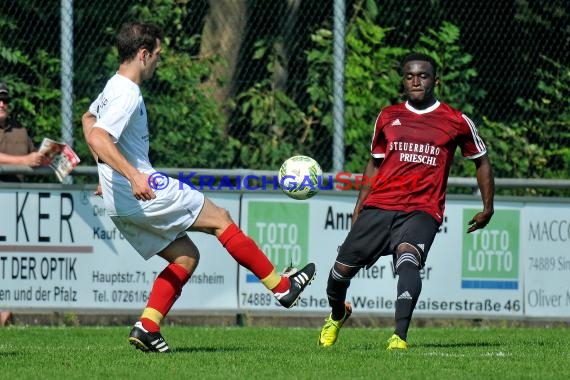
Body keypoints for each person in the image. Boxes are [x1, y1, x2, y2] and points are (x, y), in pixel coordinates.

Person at [82, 21, 316, 353]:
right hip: (143, 188)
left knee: (186, 256)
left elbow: (88, 120)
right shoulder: (127, 93)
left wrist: (107, 174)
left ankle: (147, 326)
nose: (158, 61)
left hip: (119, 203)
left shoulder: (111, 87)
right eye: (158, 55)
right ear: (144, 54)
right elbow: (98, 135)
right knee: (220, 218)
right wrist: (132, 176)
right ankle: (281, 287)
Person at [317, 52, 494, 350]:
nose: (416, 81)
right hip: (380, 205)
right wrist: (360, 204)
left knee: (408, 261)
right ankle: (337, 313)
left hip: (422, 210)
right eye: (410, 76)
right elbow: (374, 163)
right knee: (338, 275)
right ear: (403, 81)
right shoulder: (388, 116)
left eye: (423, 76)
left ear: (435, 81)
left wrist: (488, 207)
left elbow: (482, 160)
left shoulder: (456, 120)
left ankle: (399, 336)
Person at [0, 82, 44, 182]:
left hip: (19, 191)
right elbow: (27, 159)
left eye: (5, 100)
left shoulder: (20, 129)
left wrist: (47, 157)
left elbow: (33, 156)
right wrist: (24, 161)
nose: (1, 104)